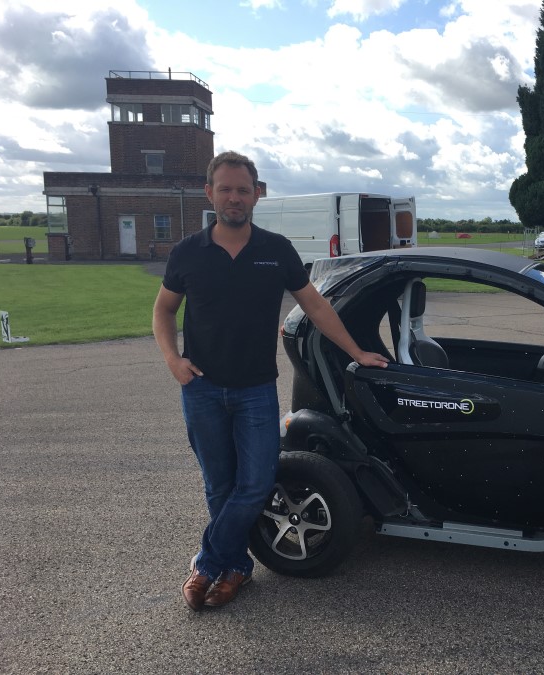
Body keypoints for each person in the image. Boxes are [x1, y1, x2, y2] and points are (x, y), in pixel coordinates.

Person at [152, 151, 388, 611]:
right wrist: (172, 360)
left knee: (256, 484)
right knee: (218, 485)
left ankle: (206, 563)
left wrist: (356, 351)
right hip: (200, 388)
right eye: (225, 189)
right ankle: (235, 568)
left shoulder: (276, 249)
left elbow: (316, 306)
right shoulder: (188, 253)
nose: (234, 197)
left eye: (243, 189)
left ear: (257, 194)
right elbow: (163, 310)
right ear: (210, 193)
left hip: (256, 391)